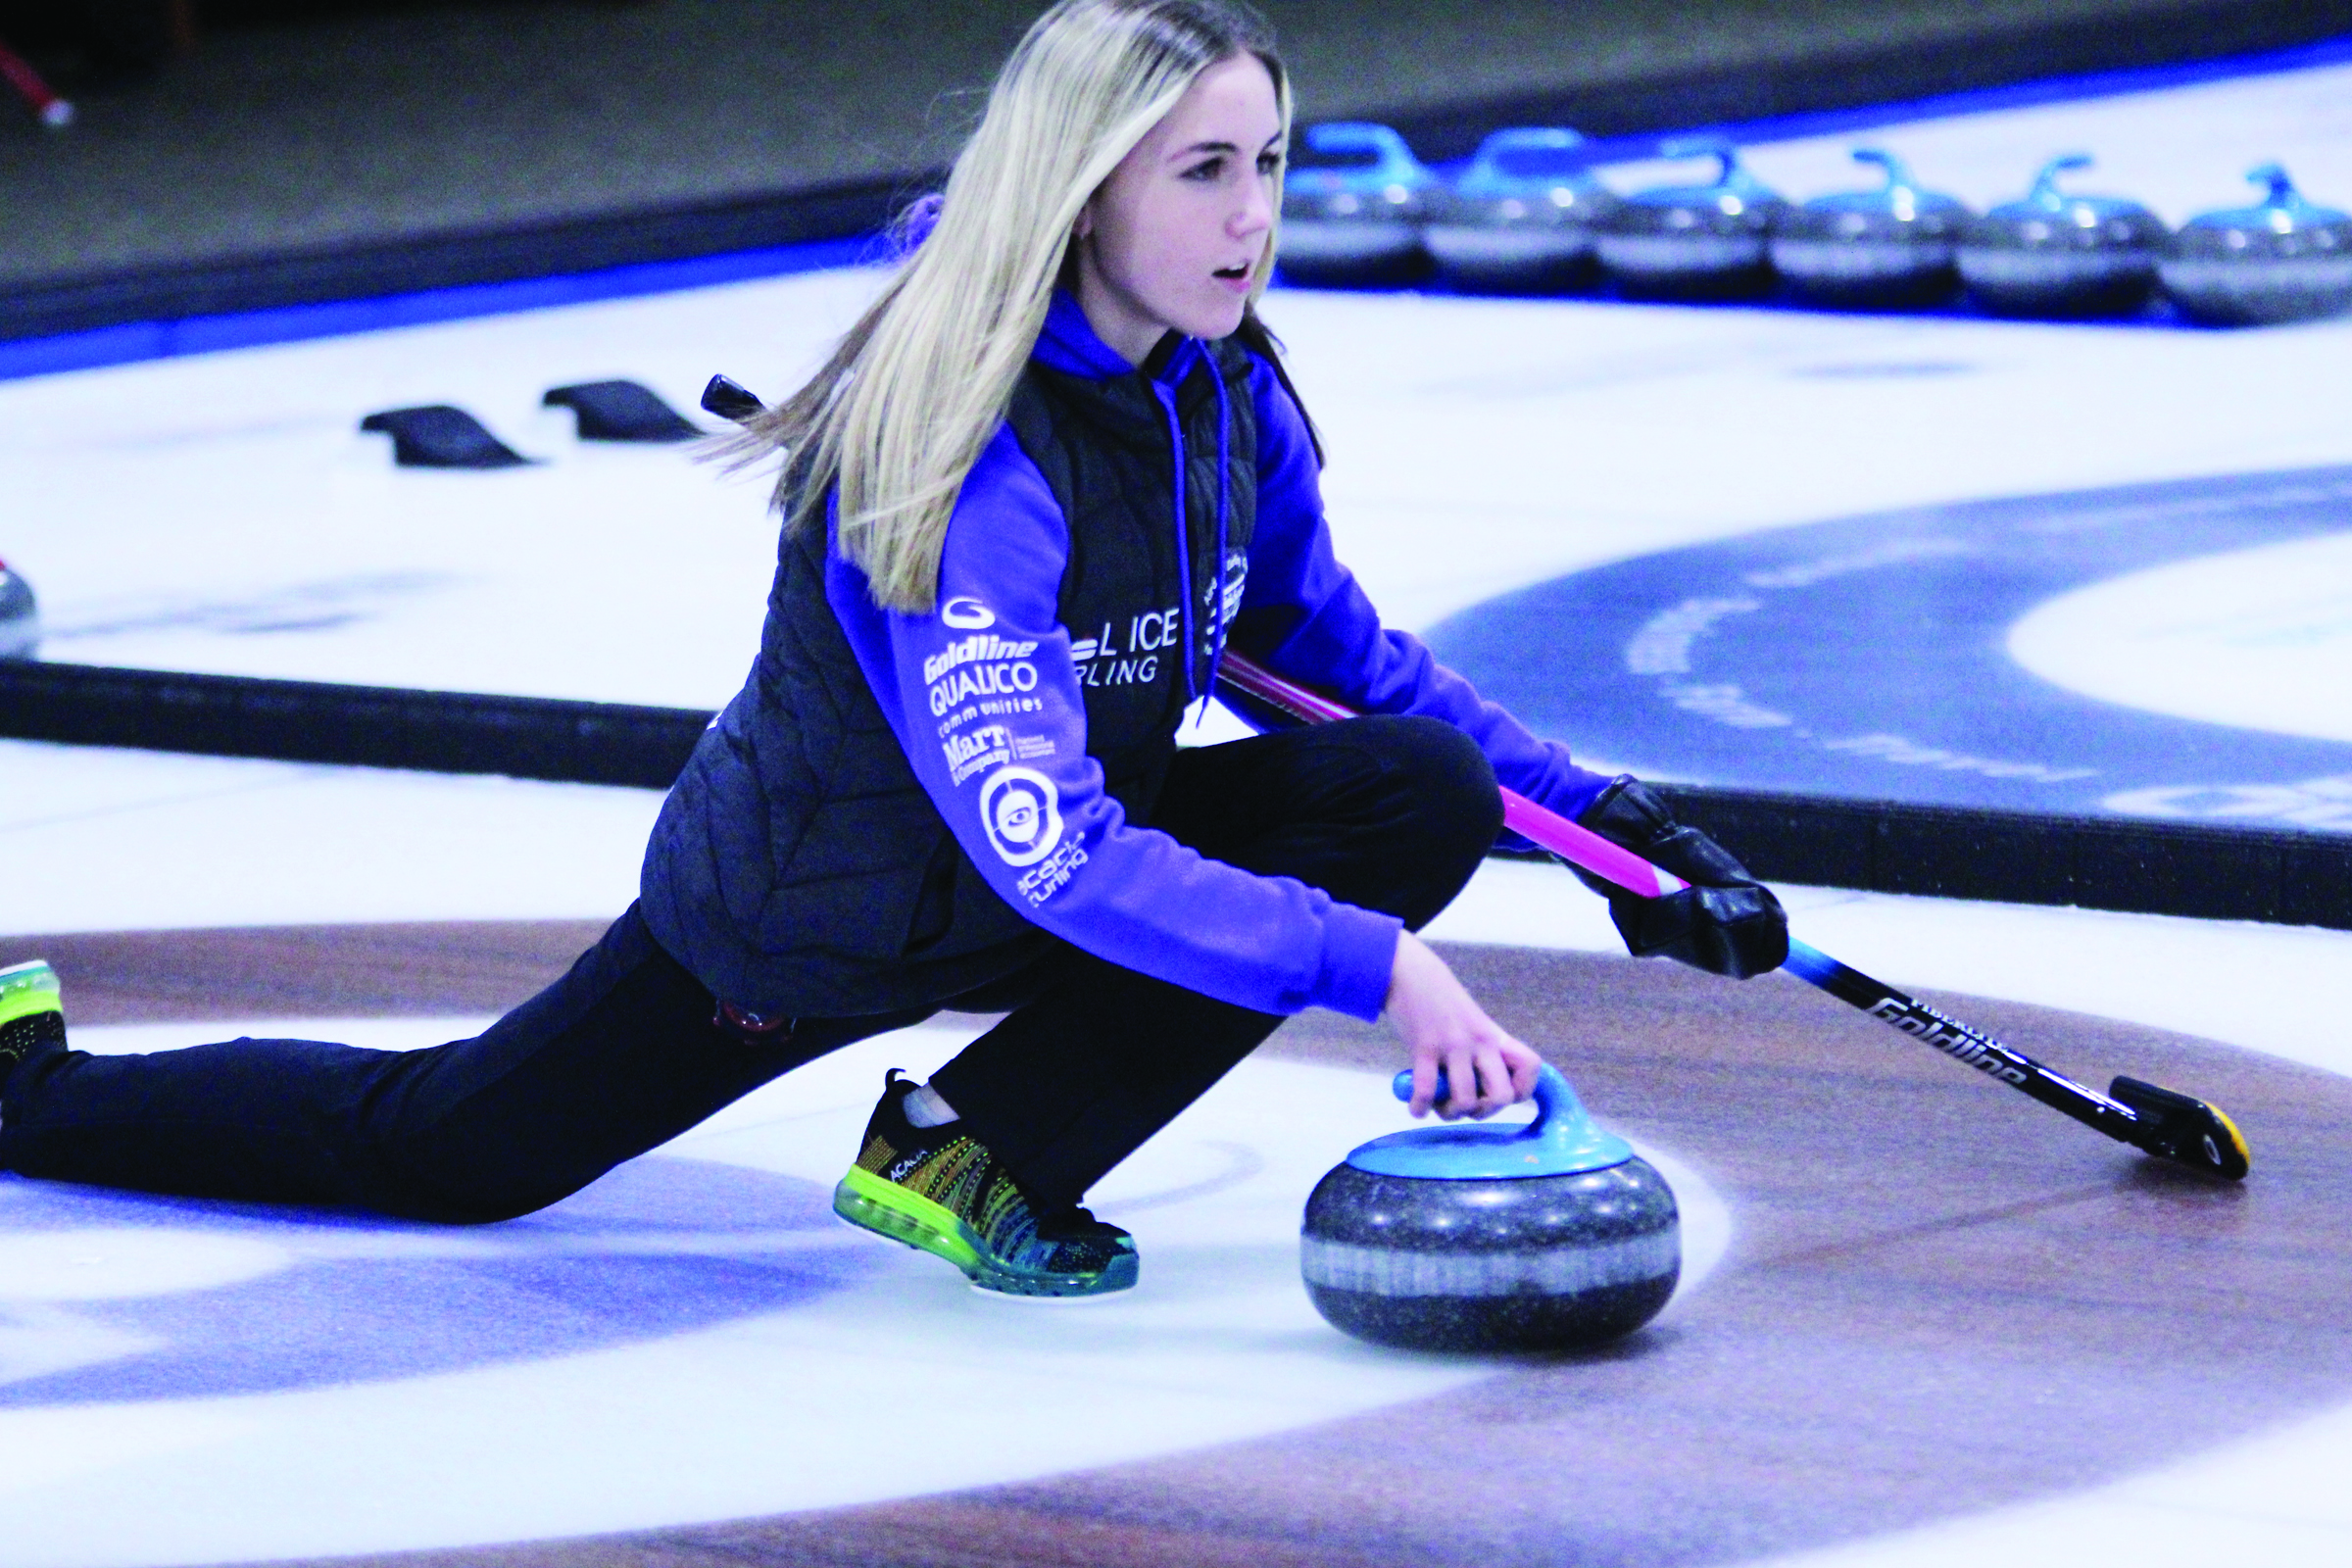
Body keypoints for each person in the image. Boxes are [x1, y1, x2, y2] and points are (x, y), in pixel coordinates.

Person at [0, 0, 1785, 1299]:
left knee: (1414, 789)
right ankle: (32, 1090)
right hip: (812, 917)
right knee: (457, 1152)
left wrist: (1619, 831)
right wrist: (1374, 969)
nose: (1255, 216)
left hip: (1034, 888)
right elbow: (1053, 848)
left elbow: (1349, 669)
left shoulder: (1222, 392)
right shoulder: (958, 450)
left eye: (1271, 166)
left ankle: (975, 1153)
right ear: (1085, 194)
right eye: (1205, 172)